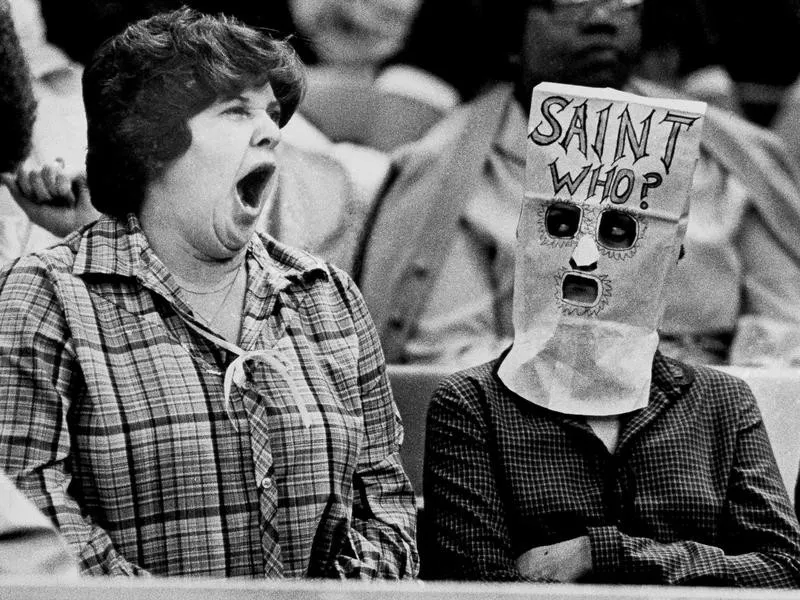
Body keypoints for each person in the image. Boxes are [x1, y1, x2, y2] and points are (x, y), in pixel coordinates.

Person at [0, 8, 417, 578]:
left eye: (272, 113)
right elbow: (42, 521)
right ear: (150, 143)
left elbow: (386, 506)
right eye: (235, 111)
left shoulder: (326, 295)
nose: (270, 130)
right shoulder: (42, 298)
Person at [423, 81, 800, 586]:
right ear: (522, 235)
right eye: (560, 224)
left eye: (619, 233)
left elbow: (783, 567)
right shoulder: (471, 406)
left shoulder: (722, 405)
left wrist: (602, 553)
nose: (583, 257)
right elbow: (477, 586)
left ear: (673, 252)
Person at [356, 0, 800, 367]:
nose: (602, 20)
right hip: (538, 425)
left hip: (715, 415)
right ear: (513, 31)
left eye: (622, 4)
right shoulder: (448, 175)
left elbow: (786, 323)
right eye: (571, 2)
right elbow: (451, 356)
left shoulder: (726, 153)